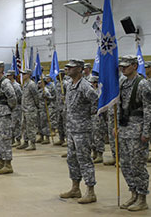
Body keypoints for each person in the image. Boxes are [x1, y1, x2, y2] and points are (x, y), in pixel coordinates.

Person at [114, 55, 151, 211]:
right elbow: (117, 106)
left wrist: (146, 131)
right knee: (125, 164)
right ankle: (133, 193)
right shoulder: (122, 83)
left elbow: (150, 110)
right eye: (121, 66)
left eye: (126, 66)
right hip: (124, 129)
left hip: (137, 130)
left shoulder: (143, 84)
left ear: (134, 66)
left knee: (137, 165)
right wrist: (116, 125)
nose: (122, 68)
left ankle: (142, 197)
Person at [59, 59, 99, 205]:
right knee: (72, 159)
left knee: (84, 160)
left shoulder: (85, 86)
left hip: (82, 129)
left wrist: (88, 116)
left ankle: (90, 191)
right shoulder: (70, 85)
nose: (68, 69)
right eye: (67, 67)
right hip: (71, 128)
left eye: (71, 67)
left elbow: (96, 100)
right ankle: (75, 188)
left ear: (79, 69)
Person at [17, 69, 40, 151]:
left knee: (31, 127)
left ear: (29, 75)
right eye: (22, 74)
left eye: (24, 74)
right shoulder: (25, 84)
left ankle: (33, 143)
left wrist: (36, 106)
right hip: (24, 109)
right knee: (24, 127)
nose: (23, 76)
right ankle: (26, 142)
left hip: (31, 109)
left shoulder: (32, 84)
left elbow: (36, 97)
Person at [6, 71, 23, 147]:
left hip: (16, 107)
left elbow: (20, 97)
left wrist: (15, 104)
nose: (8, 77)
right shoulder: (8, 85)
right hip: (10, 107)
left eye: (9, 75)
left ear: (13, 76)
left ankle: (18, 140)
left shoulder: (16, 86)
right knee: (10, 125)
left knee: (16, 124)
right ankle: (12, 139)